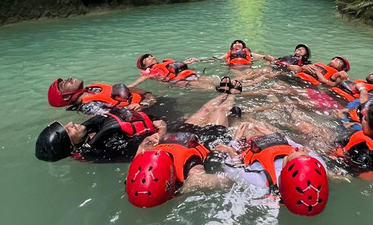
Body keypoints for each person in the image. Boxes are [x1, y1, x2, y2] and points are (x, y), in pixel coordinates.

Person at [125, 95, 238, 207]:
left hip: (180, 135)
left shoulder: (141, 163)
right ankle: (232, 94)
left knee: (205, 110)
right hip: (207, 139)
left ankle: (223, 93)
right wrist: (232, 153)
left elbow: (148, 147)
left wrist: (160, 131)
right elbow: (233, 180)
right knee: (220, 110)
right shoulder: (194, 179)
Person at [215, 121, 330, 216]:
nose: (302, 149)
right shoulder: (320, 166)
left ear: (285, 168)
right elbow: (298, 146)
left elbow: (233, 167)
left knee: (245, 122)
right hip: (275, 140)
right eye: (304, 152)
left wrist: (234, 143)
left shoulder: (260, 183)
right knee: (257, 123)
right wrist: (275, 135)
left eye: (299, 152)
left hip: (251, 145)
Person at [35, 105, 166, 163]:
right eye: (69, 131)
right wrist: (162, 130)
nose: (70, 123)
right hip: (160, 129)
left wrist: (129, 110)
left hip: (150, 118)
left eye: (66, 126)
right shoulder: (104, 148)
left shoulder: (88, 134)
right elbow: (145, 150)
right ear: (71, 146)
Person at [48, 77, 155, 113]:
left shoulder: (92, 88)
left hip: (150, 99)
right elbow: (122, 114)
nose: (69, 79)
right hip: (150, 110)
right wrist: (146, 104)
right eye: (64, 84)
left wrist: (147, 94)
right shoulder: (89, 107)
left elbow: (125, 89)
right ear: (66, 96)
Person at [130, 54, 232, 92]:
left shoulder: (167, 63)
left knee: (218, 81)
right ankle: (240, 92)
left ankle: (240, 87)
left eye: (150, 55)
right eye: (146, 58)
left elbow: (179, 66)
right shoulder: (150, 72)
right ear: (144, 66)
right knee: (212, 88)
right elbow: (141, 80)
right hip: (182, 81)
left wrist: (188, 61)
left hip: (192, 75)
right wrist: (130, 86)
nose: (150, 57)